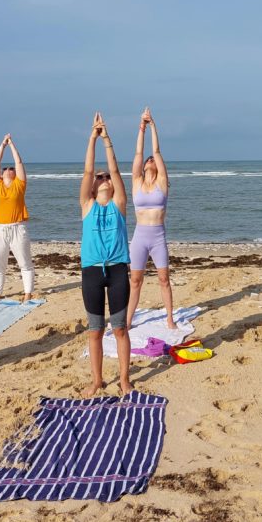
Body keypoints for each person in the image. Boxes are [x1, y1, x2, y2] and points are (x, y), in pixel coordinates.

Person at [80, 112, 132, 397]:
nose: (101, 177)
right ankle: (97, 380)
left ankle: (124, 378)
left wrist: (107, 139)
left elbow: (115, 171)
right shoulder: (87, 205)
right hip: (91, 272)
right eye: (98, 176)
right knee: (95, 331)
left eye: (105, 177)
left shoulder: (119, 204)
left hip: (117, 270)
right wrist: (92, 137)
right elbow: (88, 171)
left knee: (120, 328)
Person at [127, 107, 175, 330]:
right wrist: (141, 129)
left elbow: (155, 151)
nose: (148, 160)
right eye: (147, 160)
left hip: (157, 237)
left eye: (152, 160)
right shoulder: (136, 182)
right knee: (135, 281)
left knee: (164, 279)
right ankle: (127, 321)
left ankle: (169, 319)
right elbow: (139, 153)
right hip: (139, 237)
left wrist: (153, 125)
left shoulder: (162, 183)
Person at [0, 133, 34, 303]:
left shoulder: (19, 185)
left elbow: (19, 163)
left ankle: (28, 293)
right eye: (5, 169)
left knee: (25, 262)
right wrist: (2, 145)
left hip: (18, 228)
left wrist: (12, 144)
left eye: (11, 169)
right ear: (1, 174)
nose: (8, 170)